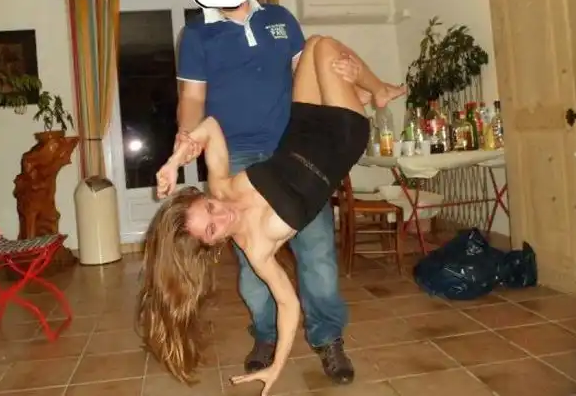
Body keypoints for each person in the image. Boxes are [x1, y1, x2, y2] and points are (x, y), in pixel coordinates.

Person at [139, 35, 406, 395]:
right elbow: (288, 304)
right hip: (340, 140)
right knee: (328, 51)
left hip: (301, 128)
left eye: (210, 208)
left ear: (206, 198)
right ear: (213, 244)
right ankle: (376, 91)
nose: (223, 215)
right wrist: (276, 367)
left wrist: (175, 161)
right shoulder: (257, 249)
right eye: (213, 229)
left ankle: (369, 91)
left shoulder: (222, 187)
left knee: (315, 43)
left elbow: (211, 126)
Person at [174, 0, 365, 384]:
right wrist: (187, 135)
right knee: (252, 263)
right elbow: (193, 98)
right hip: (234, 154)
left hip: (292, 147)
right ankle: (265, 334)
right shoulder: (198, 35)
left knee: (317, 251)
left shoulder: (280, 19)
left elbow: (308, 74)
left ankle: (327, 338)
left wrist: (352, 77)